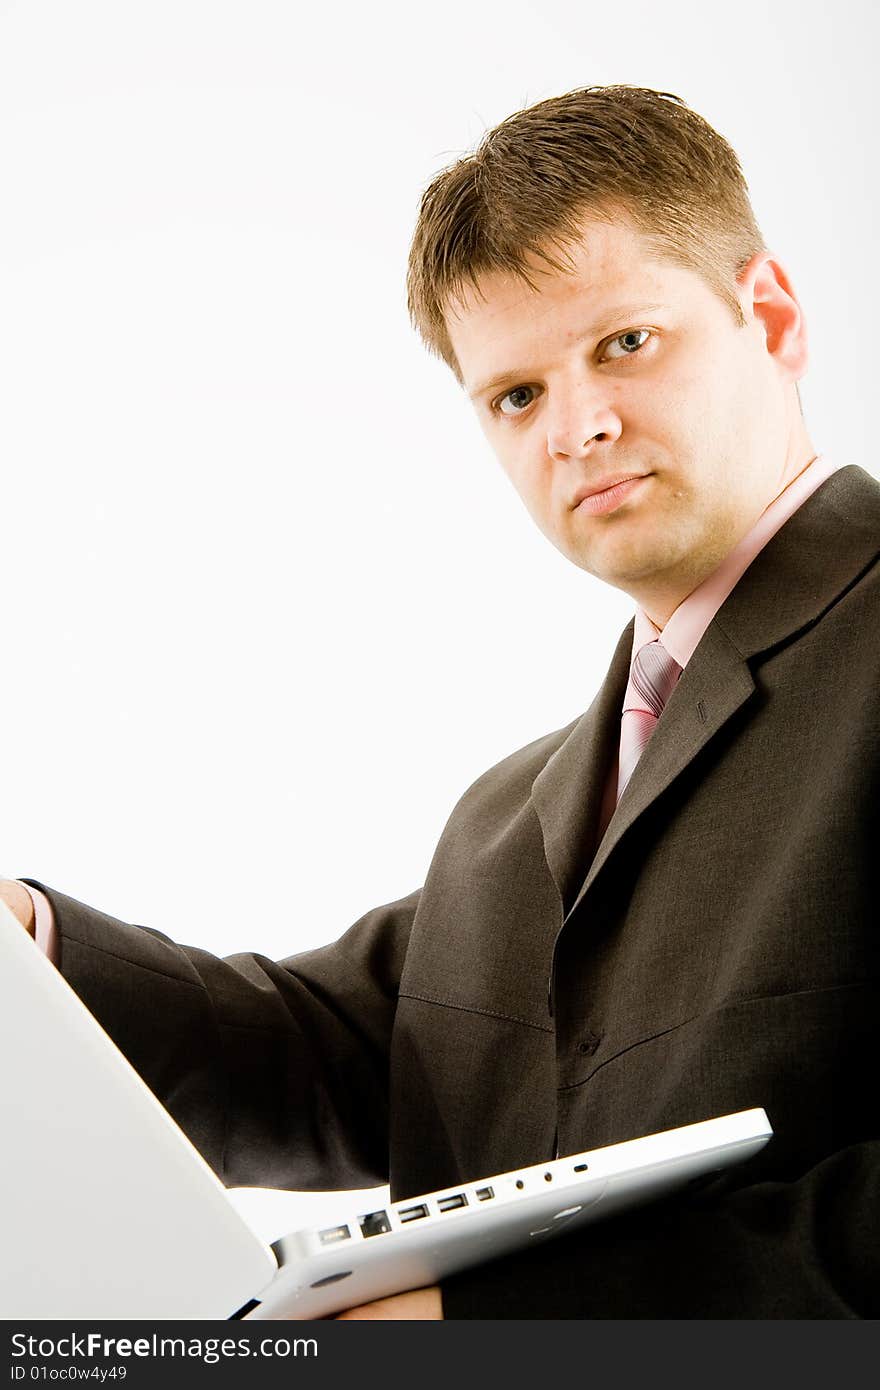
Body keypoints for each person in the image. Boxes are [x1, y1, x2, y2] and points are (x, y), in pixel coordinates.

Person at [2, 84, 878, 1320]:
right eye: (515, 394)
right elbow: (327, 1055)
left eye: (625, 342)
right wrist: (25, 948)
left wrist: (494, 1325)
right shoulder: (510, 813)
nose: (581, 426)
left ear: (769, 314)